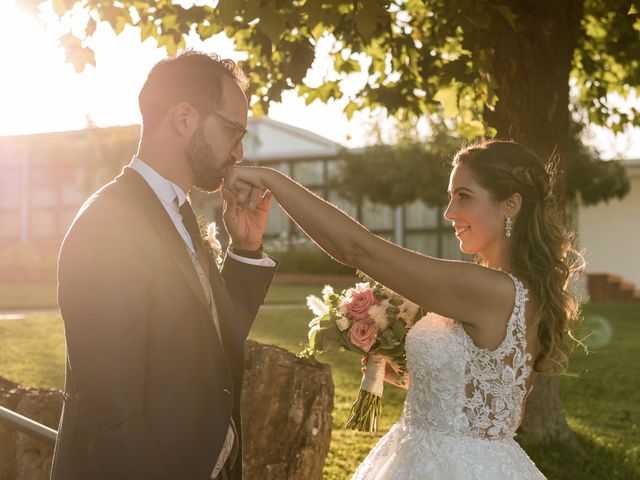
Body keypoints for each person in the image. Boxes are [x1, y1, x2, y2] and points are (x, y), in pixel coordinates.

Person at [223, 139, 583, 479]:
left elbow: (358, 250)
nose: (449, 212)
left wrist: (271, 180)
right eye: (450, 197)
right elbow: (503, 415)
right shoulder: (519, 290)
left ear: (511, 204)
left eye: (464, 196)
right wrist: (421, 381)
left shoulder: (492, 289)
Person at [51, 51, 278, 480]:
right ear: (184, 118)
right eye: (233, 130)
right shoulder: (108, 223)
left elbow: (207, 338)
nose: (239, 151)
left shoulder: (179, 212)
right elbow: (112, 414)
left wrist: (245, 250)